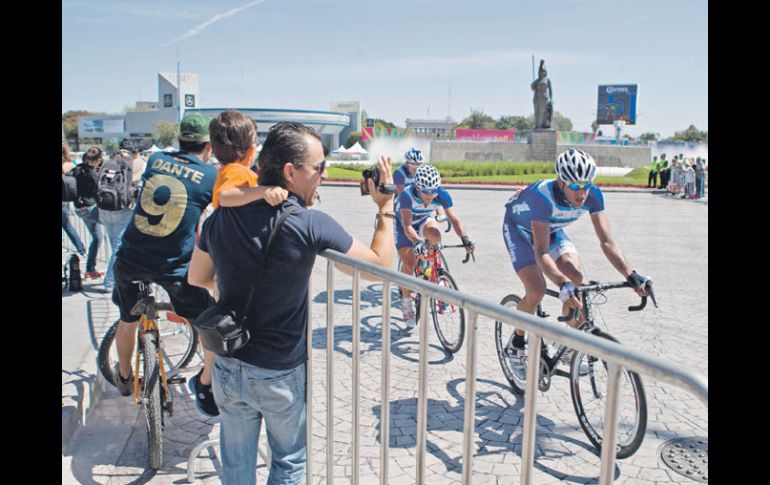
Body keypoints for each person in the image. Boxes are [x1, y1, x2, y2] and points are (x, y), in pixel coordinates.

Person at [187, 121, 396, 485]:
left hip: (227, 363)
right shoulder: (309, 223)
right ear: (290, 172)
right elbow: (378, 268)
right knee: (288, 464)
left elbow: (197, 277)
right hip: (278, 373)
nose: (323, 176)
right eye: (319, 168)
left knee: (236, 466)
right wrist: (386, 206)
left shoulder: (221, 216)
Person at [501, 148, 650, 383]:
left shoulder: (593, 195)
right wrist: (562, 284)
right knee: (537, 290)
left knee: (576, 278)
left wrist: (630, 275)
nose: (582, 192)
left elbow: (607, 241)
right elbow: (541, 252)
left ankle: (568, 345)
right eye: (575, 186)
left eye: (586, 185)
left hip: (550, 229)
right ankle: (516, 343)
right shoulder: (541, 197)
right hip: (519, 230)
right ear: (561, 182)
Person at [109, 114, 218, 410]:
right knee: (208, 322)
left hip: (131, 257)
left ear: (179, 140)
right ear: (208, 146)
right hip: (174, 267)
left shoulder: (156, 160)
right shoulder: (210, 176)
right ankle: (206, 382)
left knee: (127, 317)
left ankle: (124, 376)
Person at [186, 110, 288, 418]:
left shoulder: (235, 169)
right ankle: (208, 386)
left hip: (222, 253)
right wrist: (263, 191)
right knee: (227, 327)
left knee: (226, 324)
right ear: (249, 148)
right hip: (227, 259)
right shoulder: (236, 172)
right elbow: (226, 196)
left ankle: (210, 383)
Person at [395, 164, 475, 328]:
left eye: (434, 191)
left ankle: (432, 273)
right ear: (418, 187)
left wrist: (465, 238)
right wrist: (417, 241)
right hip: (404, 225)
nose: (431, 195)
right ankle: (406, 301)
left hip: (424, 219)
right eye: (426, 191)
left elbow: (455, 220)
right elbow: (408, 227)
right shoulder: (406, 195)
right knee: (410, 262)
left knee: (436, 236)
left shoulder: (441, 194)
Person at [209, 110, 288, 209]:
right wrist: (264, 191)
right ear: (251, 150)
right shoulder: (238, 171)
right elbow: (224, 196)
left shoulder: (227, 171)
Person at [99, 140, 147, 292]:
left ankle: (115, 277)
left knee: (115, 245)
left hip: (105, 207)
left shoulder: (109, 161)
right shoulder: (137, 163)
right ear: (134, 151)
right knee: (118, 248)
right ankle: (110, 282)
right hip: (123, 209)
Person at [73, 147, 105, 281]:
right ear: (98, 160)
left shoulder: (77, 169)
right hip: (90, 208)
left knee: (97, 238)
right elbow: (98, 192)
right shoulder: (92, 174)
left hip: (79, 208)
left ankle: (90, 268)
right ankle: (92, 268)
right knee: (113, 233)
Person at [62, 138, 86, 256]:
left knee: (67, 226)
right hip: (64, 200)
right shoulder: (70, 164)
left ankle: (81, 249)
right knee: (67, 226)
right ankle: (81, 250)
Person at [531, 59, 553, 129]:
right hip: (537, 97)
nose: (541, 72)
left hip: (544, 96)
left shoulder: (547, 80)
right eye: (539, 71)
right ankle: (537, 125)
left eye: (542, 71)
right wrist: (533, 85)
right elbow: (532, 87)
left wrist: (551, 98)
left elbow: (550, 90)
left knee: (543, 111)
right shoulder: (537, 80)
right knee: (536, 111)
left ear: (545, 72)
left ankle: (543, 124)